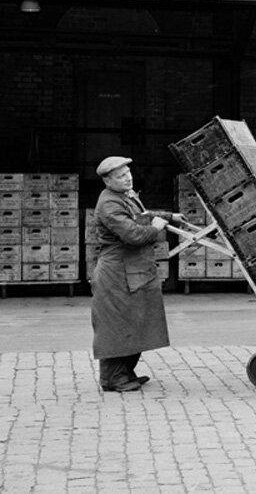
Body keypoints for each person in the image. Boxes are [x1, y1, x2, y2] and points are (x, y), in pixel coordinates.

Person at [91, 156, 185, 392]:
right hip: (117, 272)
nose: (128, 177)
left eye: (128, 172)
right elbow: (133, 234)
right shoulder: (109, 205)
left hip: (134, 270)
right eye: (121, 176)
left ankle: (125, 373)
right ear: (107, 180)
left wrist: (169, 216)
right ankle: (113, 379)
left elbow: (142, 214)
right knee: (117, 326)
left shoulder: (125, 196)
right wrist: (155, 229)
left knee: (137, 323)